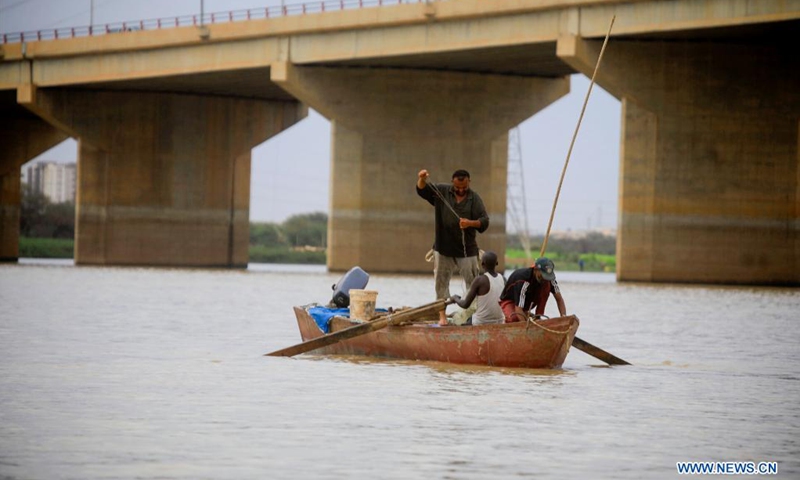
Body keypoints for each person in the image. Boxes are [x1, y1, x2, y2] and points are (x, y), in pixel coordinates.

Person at [416, 168, 489, 326]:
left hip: (467, 250)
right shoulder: (442, 191)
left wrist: (470, 223)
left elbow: (484, 222)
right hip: (443, 248)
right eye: (458, 187)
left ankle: (472, 316)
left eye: (464, 187)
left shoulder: (474, 199)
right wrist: (421, 178)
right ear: (452, 183)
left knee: (473, 282)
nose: (461, 190)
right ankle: (442, 317)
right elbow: (422, 190)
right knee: (441, 283)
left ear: (469, 182)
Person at [499, 257, 567, 323]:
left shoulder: (549, 278)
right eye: (542, 275)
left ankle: (538, 317)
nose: (545, 279)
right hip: (510, 301)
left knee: (547, 286)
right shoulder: (523, 279)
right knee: (514, 318)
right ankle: (524, 316)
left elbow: (559, 299)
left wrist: (564, 318)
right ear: (535, 269)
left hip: (526, 303)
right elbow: (518, 309)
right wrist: (526, 326)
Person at [450, 251, 505, 325]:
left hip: (481, 322)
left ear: (482, 264)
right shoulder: (503, 279)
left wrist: (455, 298)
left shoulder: (480, 280)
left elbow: (465, 304)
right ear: (497, 263)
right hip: (500, 321)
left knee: (459, 322)